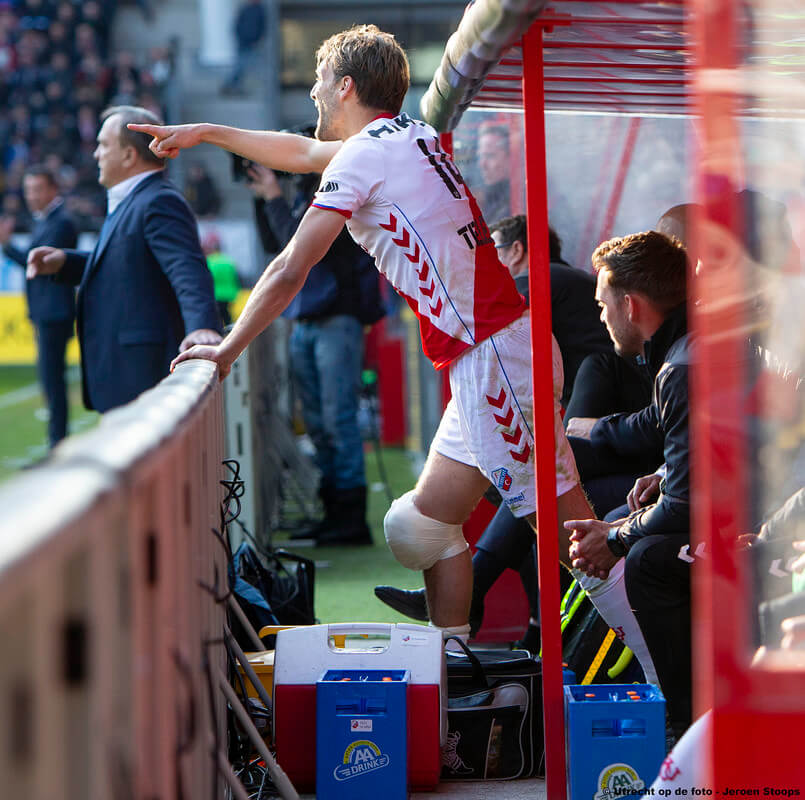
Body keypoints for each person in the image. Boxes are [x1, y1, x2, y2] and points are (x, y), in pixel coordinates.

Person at [129, 25, 658, 680]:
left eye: (322, 82)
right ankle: (451, 667)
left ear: (344, 86)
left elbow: (292, 267)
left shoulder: (362, 158)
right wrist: (208, 130)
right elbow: (300, 149)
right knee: (421, 527)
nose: (316, 96)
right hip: (495, 356)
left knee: (578, 544)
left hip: (495, 361)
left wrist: (227, 350)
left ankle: (674, 685)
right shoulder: (403, 137)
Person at [563, 230, 692, 738]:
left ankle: (682, 720)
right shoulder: (685, 350)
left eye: (602, 305)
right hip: (750, 510)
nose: (601, 317)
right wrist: (661, 476)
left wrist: (613, 538)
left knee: (644, 556)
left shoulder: (683, 363)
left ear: (632, 305)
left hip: (764, 528)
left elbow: (685, 506)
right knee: (621, 523)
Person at [26, 105, 222, 413]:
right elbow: (129, 262)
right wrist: (66, 262)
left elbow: (187, 269)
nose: (96, 155)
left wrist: (202, 327)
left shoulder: (158, 200)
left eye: (104, 145)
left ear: (129, 156)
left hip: (141, 372)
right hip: (129, 371)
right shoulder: (135, 199)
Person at [247, 160, 378, 546]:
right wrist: (262, 201)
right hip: (306, 322)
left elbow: (297, 249)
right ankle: (333, 513)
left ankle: (352, 520)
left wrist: (273, 196)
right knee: (319, 423)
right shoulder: (303, 198)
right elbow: (274, 243)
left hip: (336, 321)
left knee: (338, 419)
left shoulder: (337, 194)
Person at [490, 214, 613, 406]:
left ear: (516, 250)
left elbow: (494, 333)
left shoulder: (533, 280)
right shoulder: (563, 276)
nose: (489, 261)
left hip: (597, 385)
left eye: (493, 250)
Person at [0, 164, 77, 447]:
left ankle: (58, 444)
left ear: (53, 190)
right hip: (46, 313)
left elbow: (39, 265)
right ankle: (56, 443)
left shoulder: (61, 222)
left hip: (54, 313)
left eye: (37, 189)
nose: (31, 195)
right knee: (50, 380)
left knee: (52, 380)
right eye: (28, 189)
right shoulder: (46, 220)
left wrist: (7, 245)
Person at [220, 0, 267, 95]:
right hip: (243, 42)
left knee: (244, 65)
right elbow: (237, 24)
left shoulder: (260, 10)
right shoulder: (246, 9)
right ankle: (232, 85)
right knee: (241, 65)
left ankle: (233, 85)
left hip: (252, 43)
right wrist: (239, 37)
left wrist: (257, 40)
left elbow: (263, 27)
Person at [202, 231, 240, 326]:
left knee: (217, 316)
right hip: (229, 293)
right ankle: (230, 333)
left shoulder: (209, 261)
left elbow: (207, 280)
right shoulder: (228, 261)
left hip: (216, 294)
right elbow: (235, 278)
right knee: (227, 315)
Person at [476, 125, 511, 226]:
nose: (482, 164)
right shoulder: (487, 197)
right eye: (481, 156)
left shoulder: (521, 197)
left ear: (511, 157)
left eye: (490, 155)